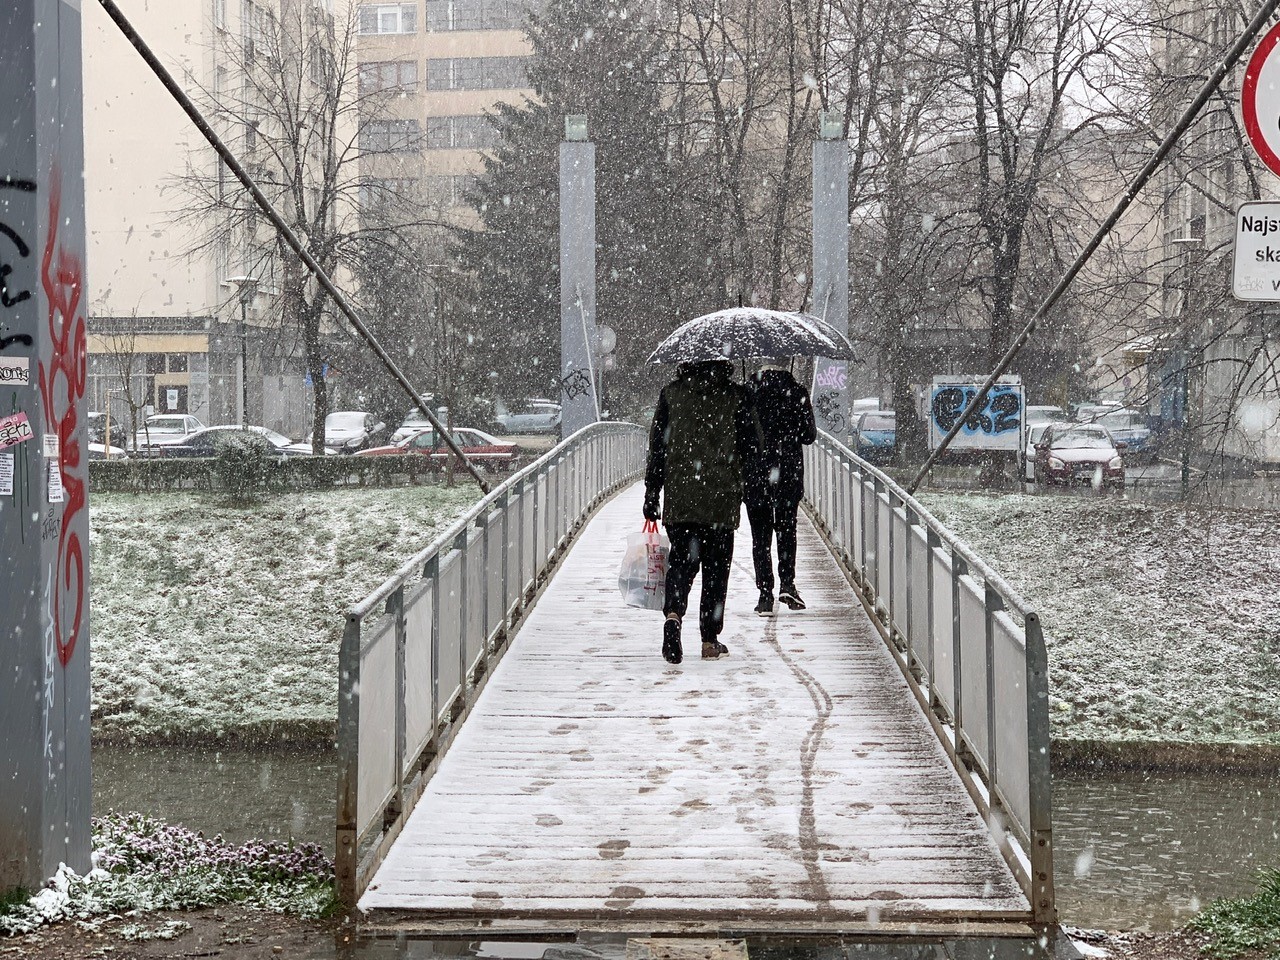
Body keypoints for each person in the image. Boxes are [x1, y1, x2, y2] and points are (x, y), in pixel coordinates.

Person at [643, 359, 758, 664]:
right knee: (716, 572)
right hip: (721, 499)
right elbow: (752, 447)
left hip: (681, 497)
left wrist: (652, 492)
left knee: (681, 564)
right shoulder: (736, 396)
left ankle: (673, 615)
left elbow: (657, 447)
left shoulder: (671, 394)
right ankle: (709, 639)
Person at [744, 361, 816, 615]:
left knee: (760, 538)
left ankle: (765, 594)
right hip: (788, 474)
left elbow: (740, 435)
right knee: (787, 531)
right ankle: (787, 583)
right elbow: (809, 436)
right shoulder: (796, 392)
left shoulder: (748, 392)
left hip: (756, 476)